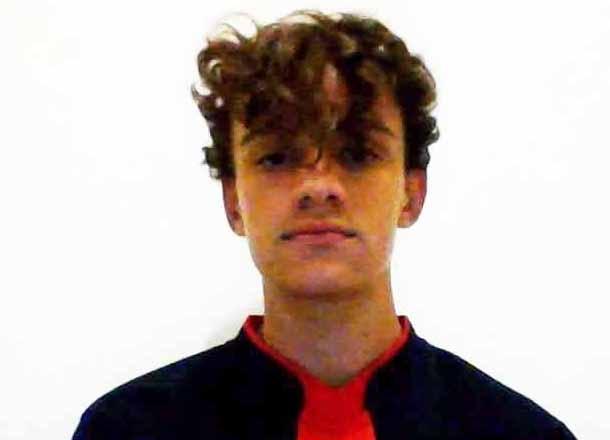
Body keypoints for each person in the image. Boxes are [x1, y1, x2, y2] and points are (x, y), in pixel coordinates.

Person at [72, 9, 577, 440]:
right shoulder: (127, 430)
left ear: (411, 193)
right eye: (277, 158)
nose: (318, 186)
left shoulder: (521, 433)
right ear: (233, 202)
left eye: (357, 154)